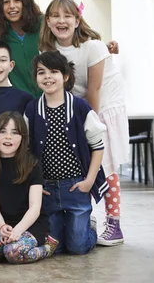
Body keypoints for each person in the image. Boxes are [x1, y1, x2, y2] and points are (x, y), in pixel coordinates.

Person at [40, 0, 128, 246]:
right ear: (47, 21)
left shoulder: (93, 46)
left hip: (103, 105)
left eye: (68, 15)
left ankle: (114, 223)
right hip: (77, 106)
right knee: (81, 163)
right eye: (55, 16)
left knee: (105, 162)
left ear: (78, 20)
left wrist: (89, 125)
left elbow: (95, 89)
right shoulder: (48, 49)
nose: (61, 20)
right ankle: (86, 216)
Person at [24, 51, 108, 255]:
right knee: (56, 248)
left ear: (66, 76)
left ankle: (90, 227)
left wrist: (88, 181)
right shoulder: (32, 109)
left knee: (78, 247)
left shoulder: (80, 108)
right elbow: (24, 150)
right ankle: (66, 228)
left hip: (76, 186)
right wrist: (33, 183)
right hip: (47, 189)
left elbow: (97, 146)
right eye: (41, 72)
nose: (47, 77)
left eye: (54, 71)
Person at [0, 0, 120, 97]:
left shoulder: (43, 23)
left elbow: (72, 34)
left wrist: (104, 46)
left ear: (25, 3)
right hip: (22, 98)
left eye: (17, 0)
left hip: (52, 95)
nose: (12, 6)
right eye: (6, 2)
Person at [0, 111, 58, 264]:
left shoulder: (32, 164)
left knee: (13, 254)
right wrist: (1, 226)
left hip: (30, 224)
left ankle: (47, 247)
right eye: (2, 131)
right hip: (3, 223)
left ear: (22, 138)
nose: (8, 137)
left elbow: (35, 207)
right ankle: (9, 243)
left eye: (15, 133)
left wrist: (19, 230)